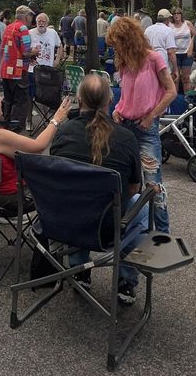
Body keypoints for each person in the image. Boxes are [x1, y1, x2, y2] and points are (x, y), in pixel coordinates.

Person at [50, 74, 147, 304]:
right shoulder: (125, 138)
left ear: (79, 100)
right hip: (107, 227)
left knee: (77, 197)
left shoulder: (63, 132)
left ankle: (79, 268)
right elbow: (133, 187)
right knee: (141, 208)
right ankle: (125, 279)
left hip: (66, 221)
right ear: (109, 101)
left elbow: (58, 179)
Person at [107, 16, 177, 233]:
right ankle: (131, 227)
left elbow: (171, 91)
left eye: (118, 43)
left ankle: (163, 233)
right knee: (125, 181)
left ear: (128, 40)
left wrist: (152, 116)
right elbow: (127, 95)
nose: (115, 49)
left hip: (146, 128)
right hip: (124, 124)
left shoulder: (154, 59)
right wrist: (118, 109)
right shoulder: (125, 62)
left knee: (153, 184)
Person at [0, 80, 72, 212]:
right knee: (59, 182)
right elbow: (39, 146)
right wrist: (56, 119)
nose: (1, 99)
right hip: (4, 196)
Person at [0, 5, 37, 132]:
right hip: (18, 71)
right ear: (26, 16)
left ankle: (6, 125)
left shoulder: (8, 27)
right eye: (31, 16)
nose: (32, 19)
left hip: (6, 70)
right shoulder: (23, 29)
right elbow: (26, 52)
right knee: (20, 102)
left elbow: (6, 48)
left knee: (8, 100)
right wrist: (35, 52)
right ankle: (15, 130)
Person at [144, 8, 177, 73]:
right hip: (163, 64)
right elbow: (171, 52)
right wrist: (175, 69)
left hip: (149, 64)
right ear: (167, 19)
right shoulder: (168, 30)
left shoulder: (148, 29)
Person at [170, 9, 194, 92]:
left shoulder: (187, 24)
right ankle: (175, 100)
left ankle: (187, 99)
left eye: (178, 13)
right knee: (176, 77)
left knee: (186, 78)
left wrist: (191, 47)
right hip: (175, 54)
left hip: (186, 54)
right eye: (174, 13)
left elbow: (195, 35)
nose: (176, 15)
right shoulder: (170, 25)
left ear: (181, 15)